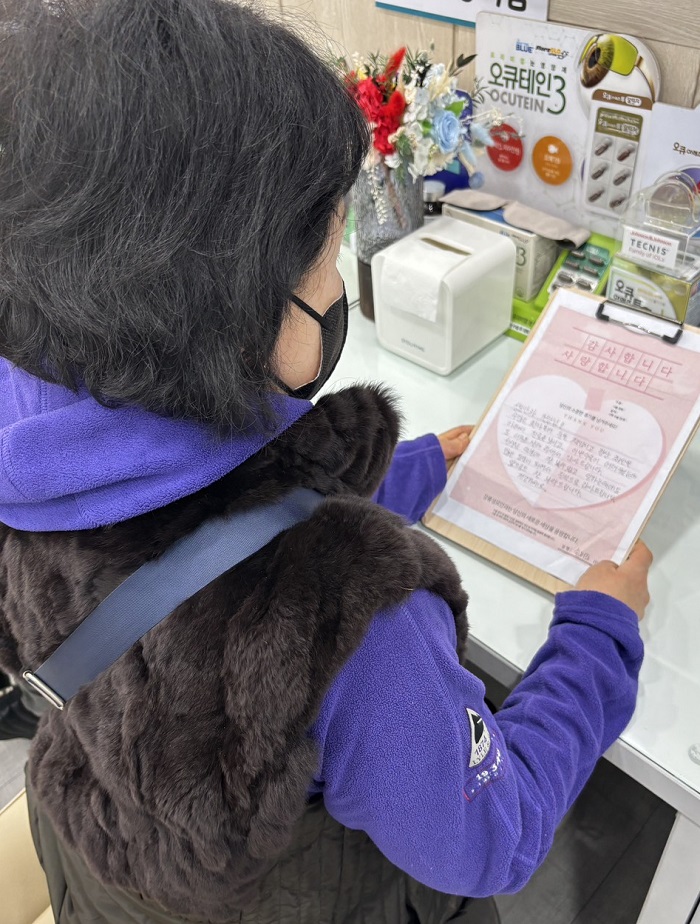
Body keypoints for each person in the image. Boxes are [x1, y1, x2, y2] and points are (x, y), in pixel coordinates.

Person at [0, 2, 652, 923]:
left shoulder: (32, 454)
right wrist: (598, 637)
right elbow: (489, 837)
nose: (338, 288)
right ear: (231, 312)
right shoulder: (357, 627)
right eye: (326, 259)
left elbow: (193, 521)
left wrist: (396, 473)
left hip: (96, 876)